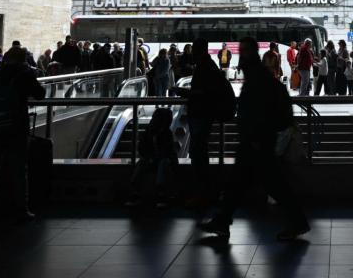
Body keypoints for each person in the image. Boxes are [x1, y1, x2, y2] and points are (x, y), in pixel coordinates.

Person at [202, 37, 309, 240]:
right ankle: (224, 220)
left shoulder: (257, 79)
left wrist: (255, 135)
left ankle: (297, 222)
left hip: (257, 142)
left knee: (264, 184)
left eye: (243, 51)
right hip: (257, 140)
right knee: (246, 183)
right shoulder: (259, 77)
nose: (240, 56)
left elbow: (257, 111)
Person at [0, 46, 46, 221]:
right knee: (18, 170)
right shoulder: (24, 74)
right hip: (15, 128)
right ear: (24, 59)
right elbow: (40, 94)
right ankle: (21, 209)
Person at [183, 38, 234, 206]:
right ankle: (206, 194)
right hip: (204, 114)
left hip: (201, 114)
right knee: (199, 152)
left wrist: (185, 93)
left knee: (198, 153)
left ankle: (203, 194)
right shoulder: (209, 65)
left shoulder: (204, 67)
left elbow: (203, 92)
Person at [128, 107, 177, 207]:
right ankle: (136, 193)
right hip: (153, 159)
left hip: (164, 160)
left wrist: (153, 158)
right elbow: (141, 148)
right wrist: (150, 158)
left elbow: (167, 152)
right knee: (141, 163)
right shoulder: (149, 132)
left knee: (163, 163)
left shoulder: (167, 133)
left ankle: (161, 194)